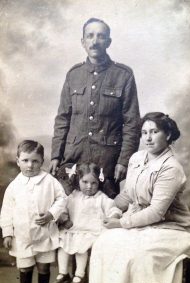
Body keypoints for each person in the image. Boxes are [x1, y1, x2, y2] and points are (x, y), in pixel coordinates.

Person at [88, 112, 190, 283]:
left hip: (169, 226)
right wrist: (114, 210)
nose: (148, 138)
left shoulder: (171, 168)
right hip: (139, 222)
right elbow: (128, 193)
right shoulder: (137, 158)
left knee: (136, 256)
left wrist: (121, 223)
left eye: (154, 132)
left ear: (167, 135)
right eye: (144, 133)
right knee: (103, 243)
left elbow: (156, 212)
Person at [49, 17, 140, 198]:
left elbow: (132, 123)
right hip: (73, 157)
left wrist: (124, 161)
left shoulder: (123, 75)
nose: (95, 41)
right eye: (90, 36)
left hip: (107, 160)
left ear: (108, 41)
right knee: (67, 210)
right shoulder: (74, 75)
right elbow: (63, 118)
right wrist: (55, 156)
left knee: (107, 213)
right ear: (83, 42)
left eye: (100, 36)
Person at [0, 140, 67, 283]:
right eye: (25, 160)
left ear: (42, 162)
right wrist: (7, 233)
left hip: (44, 234)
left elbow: (62, 198)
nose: (30, 165)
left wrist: (51, 213)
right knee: (25, 268)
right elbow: (6, 211)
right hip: (22, 237)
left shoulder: (49, 181)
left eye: (35, 161)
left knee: (44, 268)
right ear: (18, 161)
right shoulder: (14, 186)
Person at [50, 162, 122, 283]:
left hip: (91, 231)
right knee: (63, 245)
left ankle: (79, 275)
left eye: (94, 183)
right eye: (85, 182)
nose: (89, 186)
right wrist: (64, 218)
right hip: (73, 229)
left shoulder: (101, 198)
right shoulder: (73, 195)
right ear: (78, 180)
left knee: (81, 248)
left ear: (99, 182)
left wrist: (113, 216)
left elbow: (113, 208)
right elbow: (63, 208)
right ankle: (63, 273)